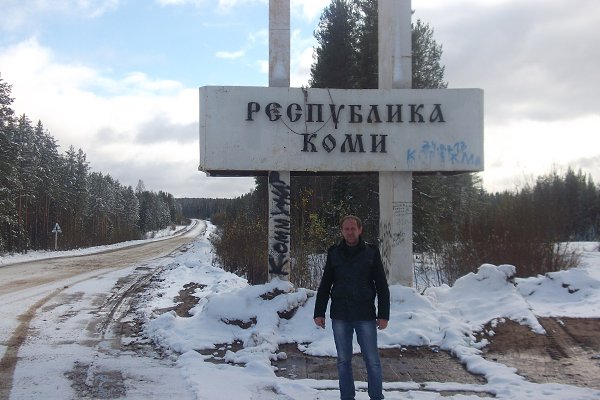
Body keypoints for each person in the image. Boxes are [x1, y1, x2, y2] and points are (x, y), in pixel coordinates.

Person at [313, 215, 390, 400]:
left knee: (372, 361)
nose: (349, 232)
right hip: (340, 315)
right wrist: (319, 312)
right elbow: (325, 284)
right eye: (346, 229)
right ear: (342, 231)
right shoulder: (334, 253)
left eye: (353, 229)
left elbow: (381, 285)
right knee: (343, 361)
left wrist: (384, 314)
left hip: (365, 315)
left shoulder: (371, 252)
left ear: (360, 230)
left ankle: (376, 396)